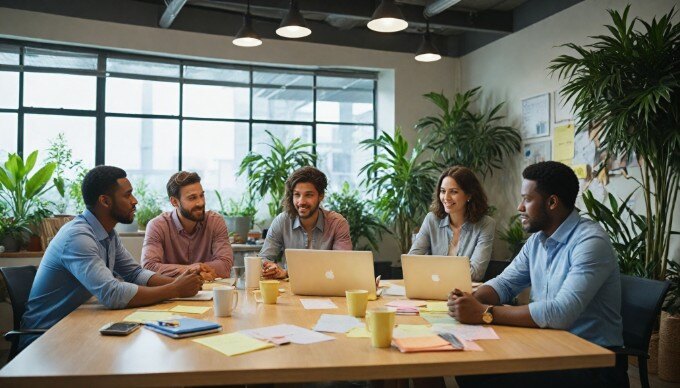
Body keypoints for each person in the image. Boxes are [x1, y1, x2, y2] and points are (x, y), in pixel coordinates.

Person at [449, 161, 627, 388]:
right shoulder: (537, 240)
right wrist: (474, 298)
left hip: (592, 362)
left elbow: (561, 313)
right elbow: (505, 283)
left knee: (485, 377)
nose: (519, 207)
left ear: (552, 202)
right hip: (551, 345)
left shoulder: (590, 242)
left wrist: (485, 313)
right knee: (470, 369)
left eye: (527, 199)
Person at [20, 166, 203, 351]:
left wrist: (179, 282)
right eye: (128, 195)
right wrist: (174, 289)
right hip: (45, 339)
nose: (135, 201)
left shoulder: (108, 234)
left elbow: (134, 273)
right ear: (105, 201)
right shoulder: (78, 237)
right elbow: (112, 293)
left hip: (76, 327)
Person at [259, 166, 352, 279]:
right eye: (297, 195)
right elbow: (264, 258)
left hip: (326, 288)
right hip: (290, 291)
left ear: (321, 196)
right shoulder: (282, 221)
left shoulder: (337, 223)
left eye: (308, 195)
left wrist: (287, 273)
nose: (301, 202)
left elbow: (342, 266)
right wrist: (270, 267)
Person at [142, 171, 233, 281]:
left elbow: (225, 265)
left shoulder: (215, 222)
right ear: (174, 202)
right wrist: (192, 270)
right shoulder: (157, 226)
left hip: (210, 292)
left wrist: (194, 270)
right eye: (192, 198)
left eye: (201, 195)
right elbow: (149, 267)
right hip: (172, 294)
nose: (200, 203)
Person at [409, 166, 495, 282]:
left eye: (454, 192)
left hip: (464, 295)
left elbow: (476, 273)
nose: (446, 197)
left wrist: (433, 272)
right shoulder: (431, 220)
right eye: (443, 191)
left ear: (469, 195)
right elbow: (412, 262)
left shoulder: (485, 224)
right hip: (433, 290)